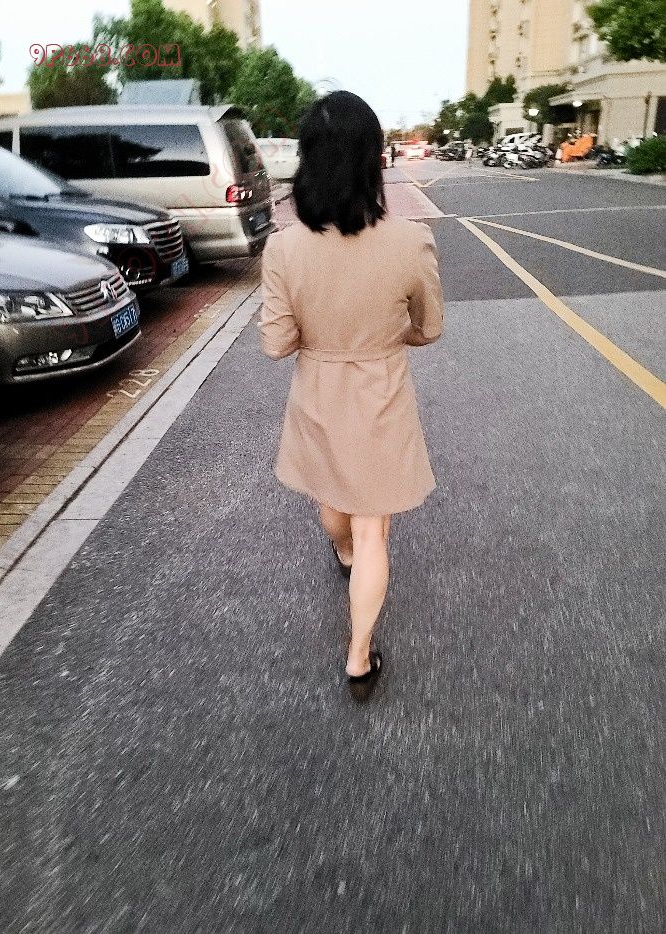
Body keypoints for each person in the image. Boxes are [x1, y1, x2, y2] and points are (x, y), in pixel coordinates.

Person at [259, 91, 444, 698]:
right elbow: (429, 327)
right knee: (374, 531)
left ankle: (340, 553)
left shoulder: (284, 248)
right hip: (381, 392)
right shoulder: (410, 241)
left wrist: (319, 338)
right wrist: (389, 339)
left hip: (318, 392)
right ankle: (359, 659)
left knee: (331, 493)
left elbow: (276, 344)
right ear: (373, 159)